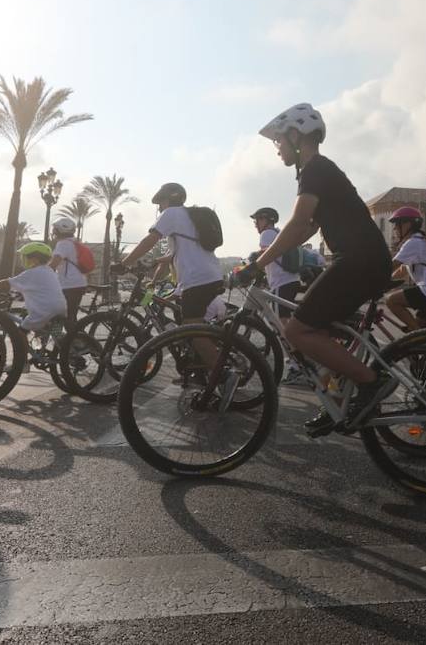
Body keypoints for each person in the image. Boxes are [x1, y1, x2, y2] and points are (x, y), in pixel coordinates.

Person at [238, 103, 395, 436]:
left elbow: (296, 224)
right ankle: (337, 396)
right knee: (311, 331)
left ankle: (371, 381)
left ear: (296, 136)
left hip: (358, 260)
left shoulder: (315, 170)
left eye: (278, 141)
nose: (277, 148)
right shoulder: (318, 170)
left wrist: (258, 264)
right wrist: (266, 255)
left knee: (296, 331)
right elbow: (308, 227)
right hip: (359, 259)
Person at [117, 183, 224, 324]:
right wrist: (153, 282)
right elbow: (165, 262)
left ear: (170, 200)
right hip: (210, 276)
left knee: (192, 333)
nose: (159, 208)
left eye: (160, 202)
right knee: (187, 327)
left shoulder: (172, 213)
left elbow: (149, 241)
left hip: (198, 280)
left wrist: (123, 264)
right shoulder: (187, 220)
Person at [384, 206, 426, 331]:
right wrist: (387, 280)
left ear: (407, 224)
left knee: (391, 301)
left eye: (397, 225)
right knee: (425, 329)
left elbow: (392, 266)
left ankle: (417, 335)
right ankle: (425, 342)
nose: (394, 229)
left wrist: (373, 278)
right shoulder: (422, 240)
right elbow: (402, 271)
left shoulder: (413, 243)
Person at [0, 243, 68, 333]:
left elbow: (7, 283)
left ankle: (21, 346)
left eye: (25, 257)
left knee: (20, 335)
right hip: (60, 308)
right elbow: (39, 290)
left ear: (34, 260)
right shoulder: (50, 272)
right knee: (57, 337)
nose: (22, 260)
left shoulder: (31, 273)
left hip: (45, 311)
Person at [250, 207, 301, 308]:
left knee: (278, 321)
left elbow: (267, 254)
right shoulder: (278, 233)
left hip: (281, 282)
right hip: (292, 280)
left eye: (257, 220)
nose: (255, 225)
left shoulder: (267, 233)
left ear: (266, 219)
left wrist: (249, 264)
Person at [48, 219, 88, 325]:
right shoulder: (74, 243)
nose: (53, 233)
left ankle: (77, 340)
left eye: (55, 230)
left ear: (59, 231)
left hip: (69, 285)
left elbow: (53, 264)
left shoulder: (63, 244)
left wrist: (37, 274)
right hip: (77, 284)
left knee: (65, 318)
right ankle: (67, 339)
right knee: (68, 316)